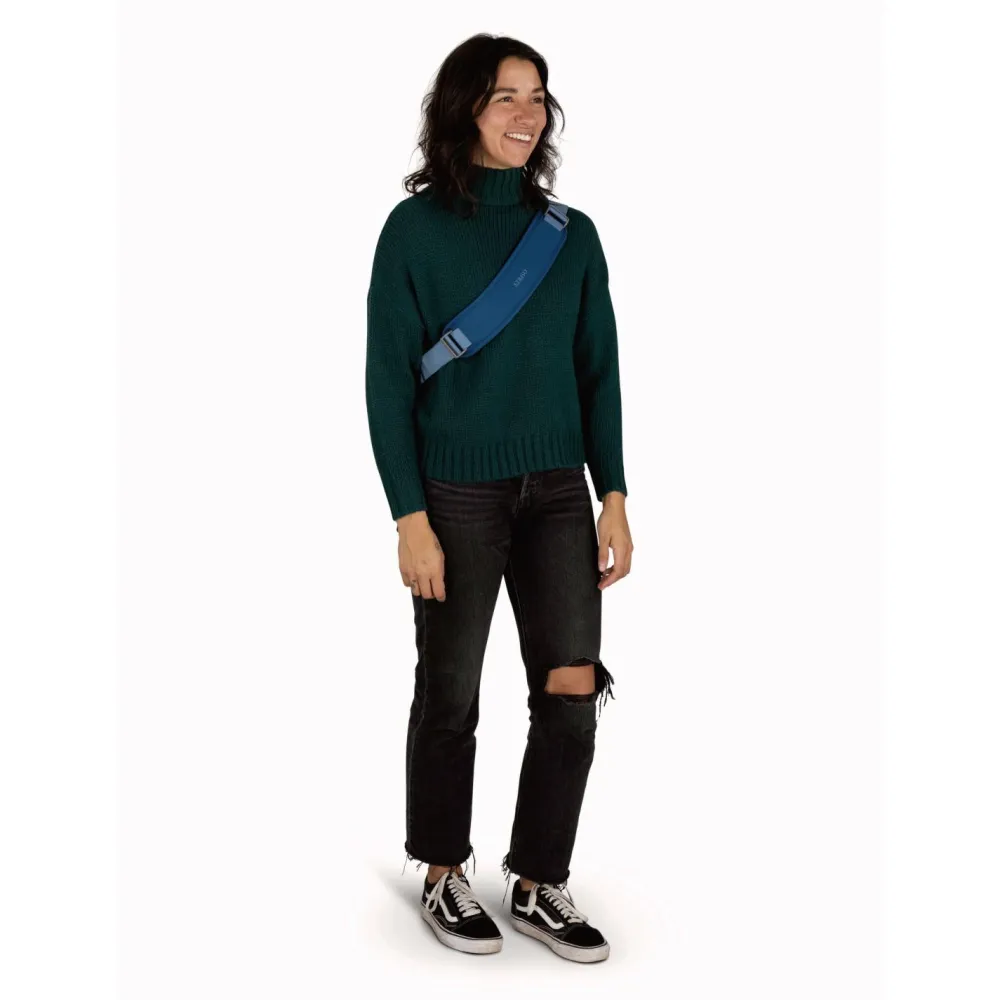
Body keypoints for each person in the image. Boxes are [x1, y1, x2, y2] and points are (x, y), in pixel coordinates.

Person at [364, 33, 633, 964]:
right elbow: (386, 384)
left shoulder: (572, 235)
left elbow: (598, 373)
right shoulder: (413, 232)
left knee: (571, 687)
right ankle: (442, 869)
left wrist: (613, 494)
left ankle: (537, 880)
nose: (528, 114)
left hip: (558, 493)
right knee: (451, 691)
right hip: (455, 497)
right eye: (505, 96)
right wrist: (410, 517)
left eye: (538, 96)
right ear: (463, 109)